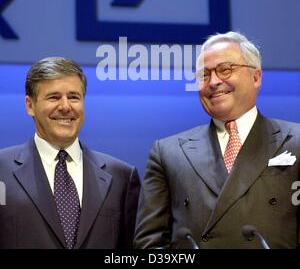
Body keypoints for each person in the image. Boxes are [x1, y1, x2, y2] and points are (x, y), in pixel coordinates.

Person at [134, 31, 300, 249]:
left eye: (225, 70)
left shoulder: (295, 140)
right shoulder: (167, 152)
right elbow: (149, 243)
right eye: (203, 75)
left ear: (256, 77)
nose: (212, 82)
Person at [0, 57, 140, 249]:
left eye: (74, 97)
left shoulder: (121, 176)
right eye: (54, 97)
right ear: (30, 105)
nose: (65, 106)